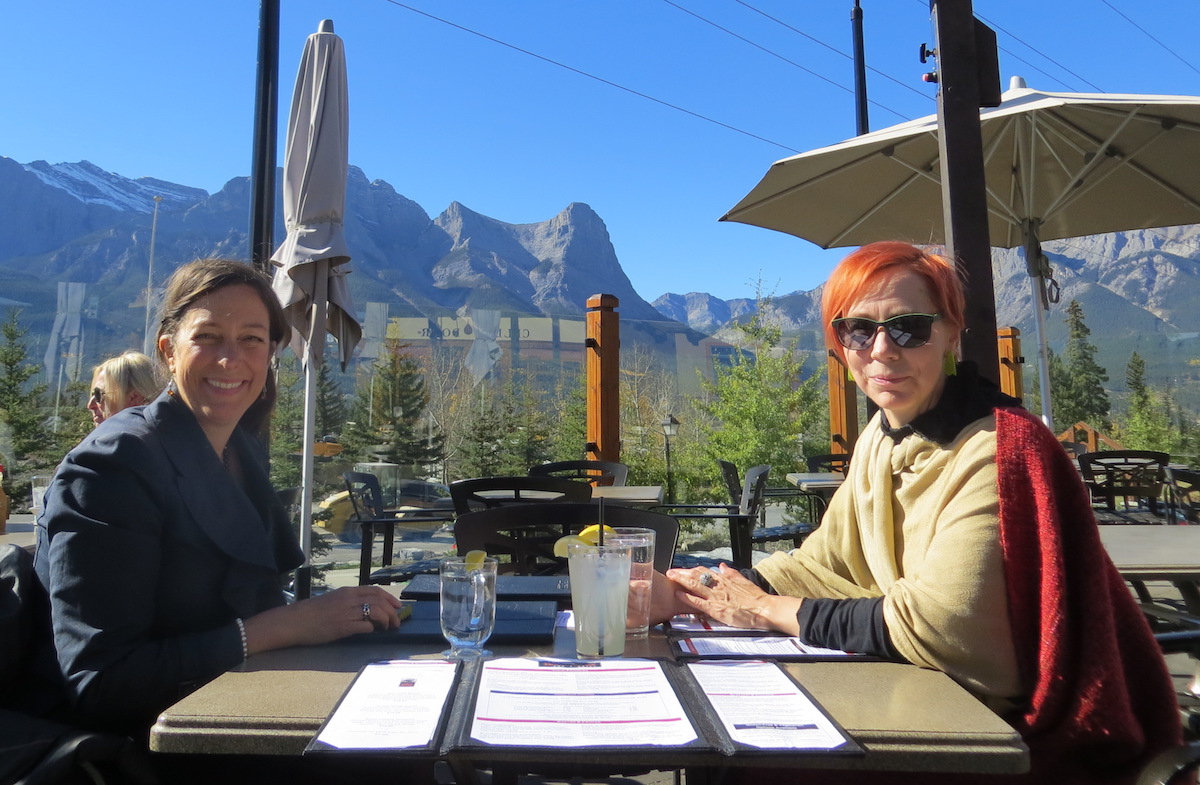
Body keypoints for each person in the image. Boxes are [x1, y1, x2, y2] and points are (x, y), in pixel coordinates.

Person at [651, 241, 1180, 784]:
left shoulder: (1001, 450)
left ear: (951, 333)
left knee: (749, 767)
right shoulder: (881, 435)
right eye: (858, 329)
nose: (882, 349)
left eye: (909, 327)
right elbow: (825, 565)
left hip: (1006, 738)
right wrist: (690, 592)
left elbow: (943, 623)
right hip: (915, 697)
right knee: (723, 754)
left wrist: (765, 610)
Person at [34, 259, 405, 739]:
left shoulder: (239, 447)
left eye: (252, 339)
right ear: (169, 350)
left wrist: (330, 615)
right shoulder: (114, 467)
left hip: (247, 706)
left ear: (272, 351)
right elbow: (102, 683)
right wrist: (284, 626)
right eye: (207, 337)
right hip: (157, 743)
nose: (230, 359)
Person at [86, 350, 161, 426]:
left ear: (134, 398)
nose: (90, 406)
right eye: (93, 394)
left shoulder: (120, 437)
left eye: (98, 395)